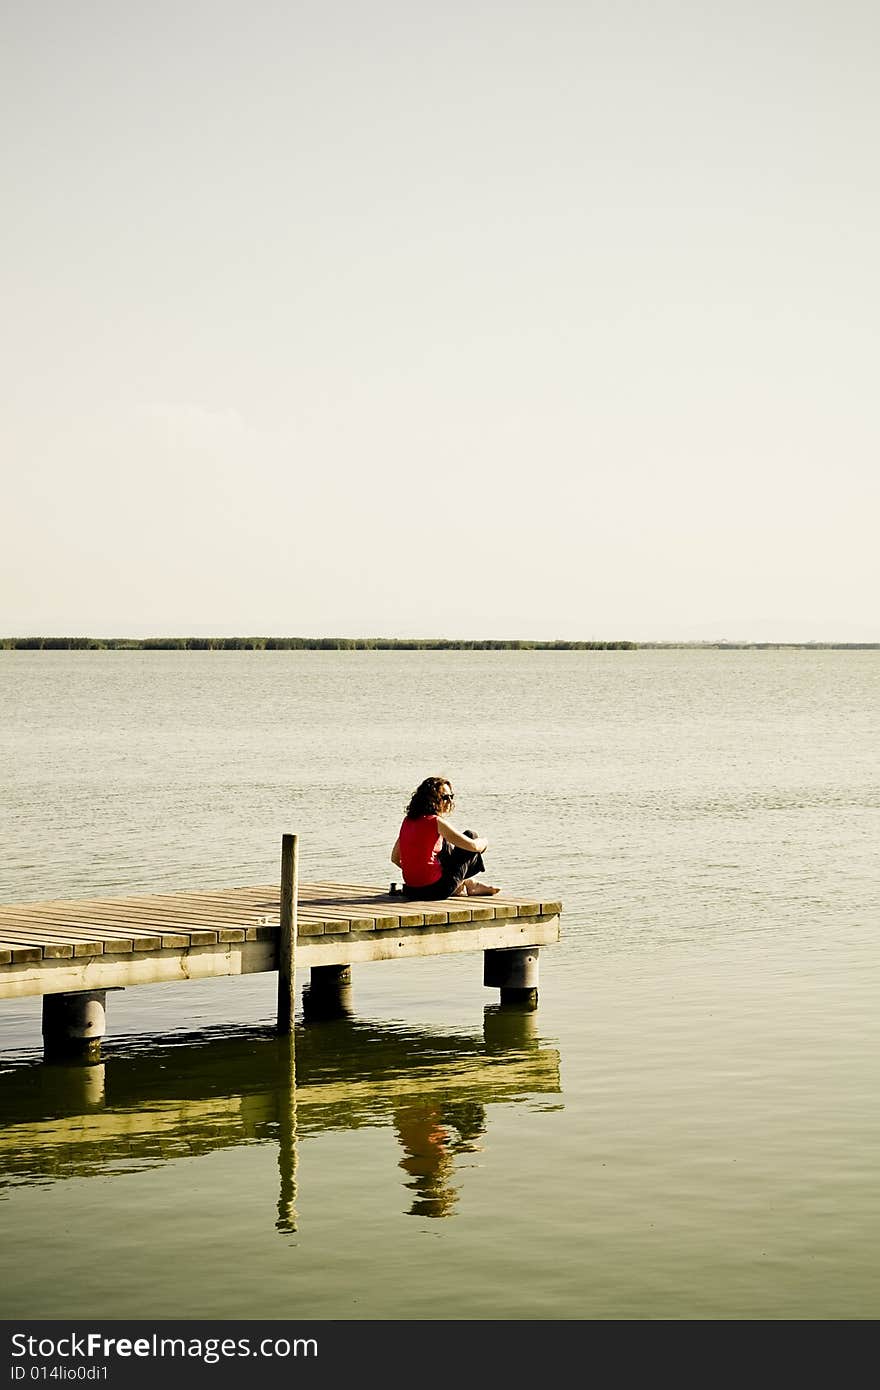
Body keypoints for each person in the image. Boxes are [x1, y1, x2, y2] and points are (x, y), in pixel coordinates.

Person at [390, 776, 500, 899]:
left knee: (444, 840)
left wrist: (416, 872)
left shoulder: (408, 821)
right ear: (431, 800)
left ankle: (465, 884)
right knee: (471, 835)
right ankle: (466, 884)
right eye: (445, 797)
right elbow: (473, 846)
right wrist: (485, 842)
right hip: (438, 889)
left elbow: (395, 858)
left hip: (411, 890)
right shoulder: (436, 822)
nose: (449, 801)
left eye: (451, 796)